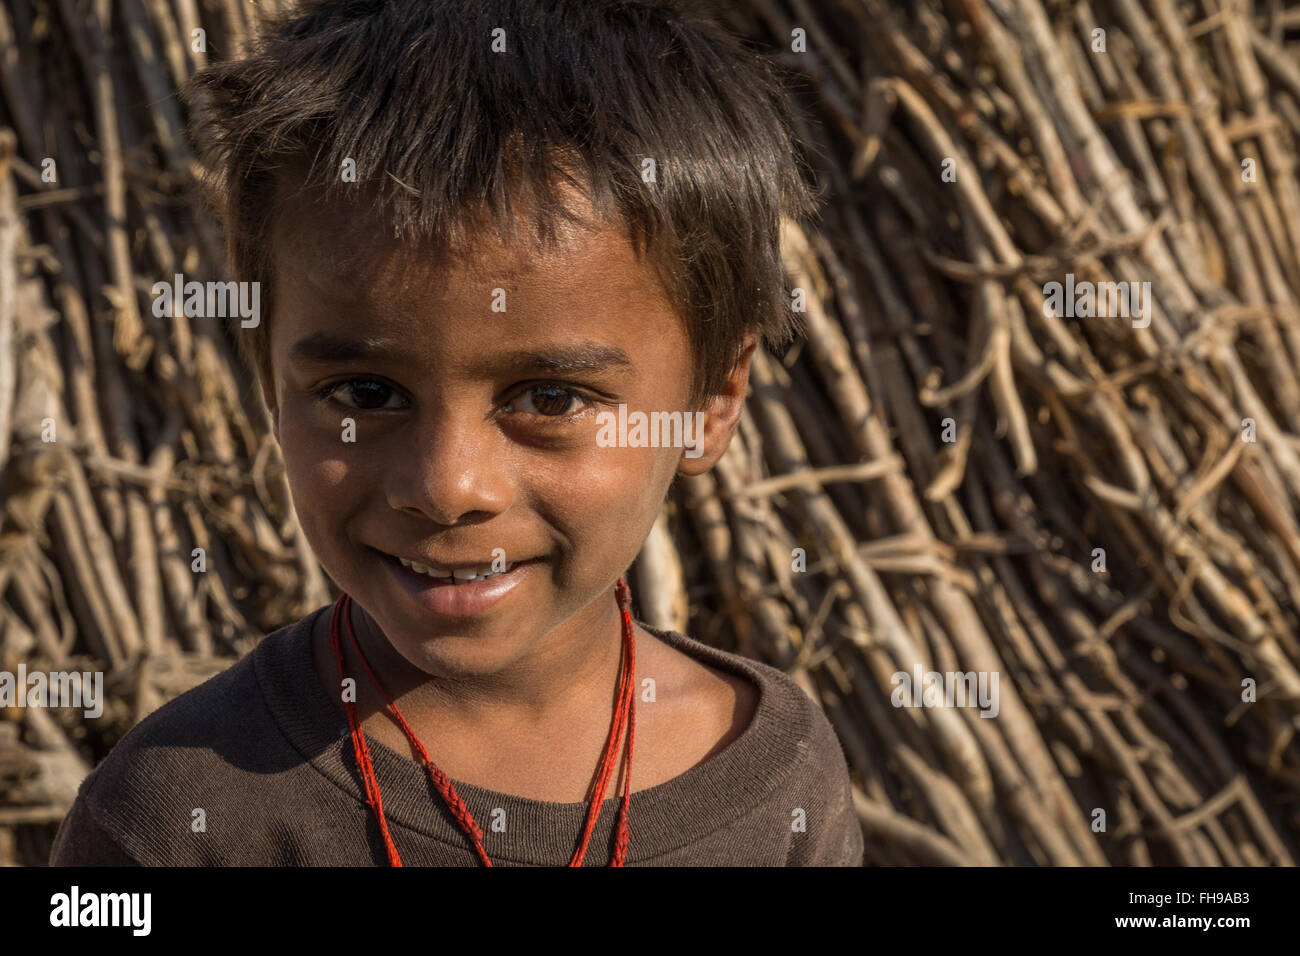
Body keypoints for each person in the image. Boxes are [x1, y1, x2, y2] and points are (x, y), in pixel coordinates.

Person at [50, 0, 863, 866]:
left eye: (549, 400)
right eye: (365, 391)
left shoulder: (778, 777)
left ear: (710, 403)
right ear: (267, 383)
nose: (446, 485)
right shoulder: (179, 813)